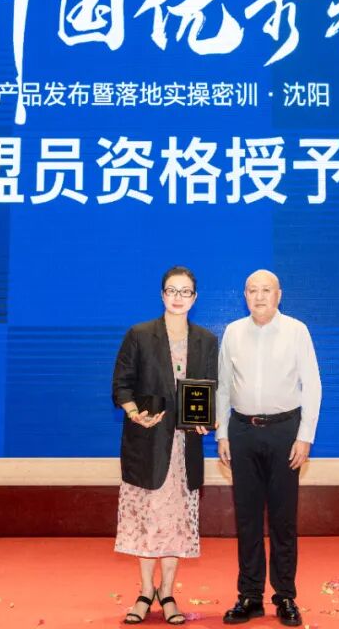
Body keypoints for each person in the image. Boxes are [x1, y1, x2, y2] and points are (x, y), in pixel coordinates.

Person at [112, 266, 219, 625]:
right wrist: (134, 413)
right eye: (172, 290)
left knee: (175, 521)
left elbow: (211, 388)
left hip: (184, 447)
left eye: (185, 291)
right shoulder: (140, 334)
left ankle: (168, 592)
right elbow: (122, 384)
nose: (178, 297)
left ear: (195, 298)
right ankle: (145, 591)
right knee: (147, 520)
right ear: (162, 295)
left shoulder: (206, 340)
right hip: (147, 442)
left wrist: (207, 419)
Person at [216, 270, 322, 627]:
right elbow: (224, 387)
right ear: (244, 295)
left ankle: (285, 596)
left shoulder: (297, 331)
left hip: (285, 433)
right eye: (252, 290)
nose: (259, 296)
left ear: (279, 295)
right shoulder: (233, 332)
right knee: (247, 519)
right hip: (242, 431)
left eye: (266, 290)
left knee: (283, 519)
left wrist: (305, 436)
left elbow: (312, 385)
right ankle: (249, 596)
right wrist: (222, 434)